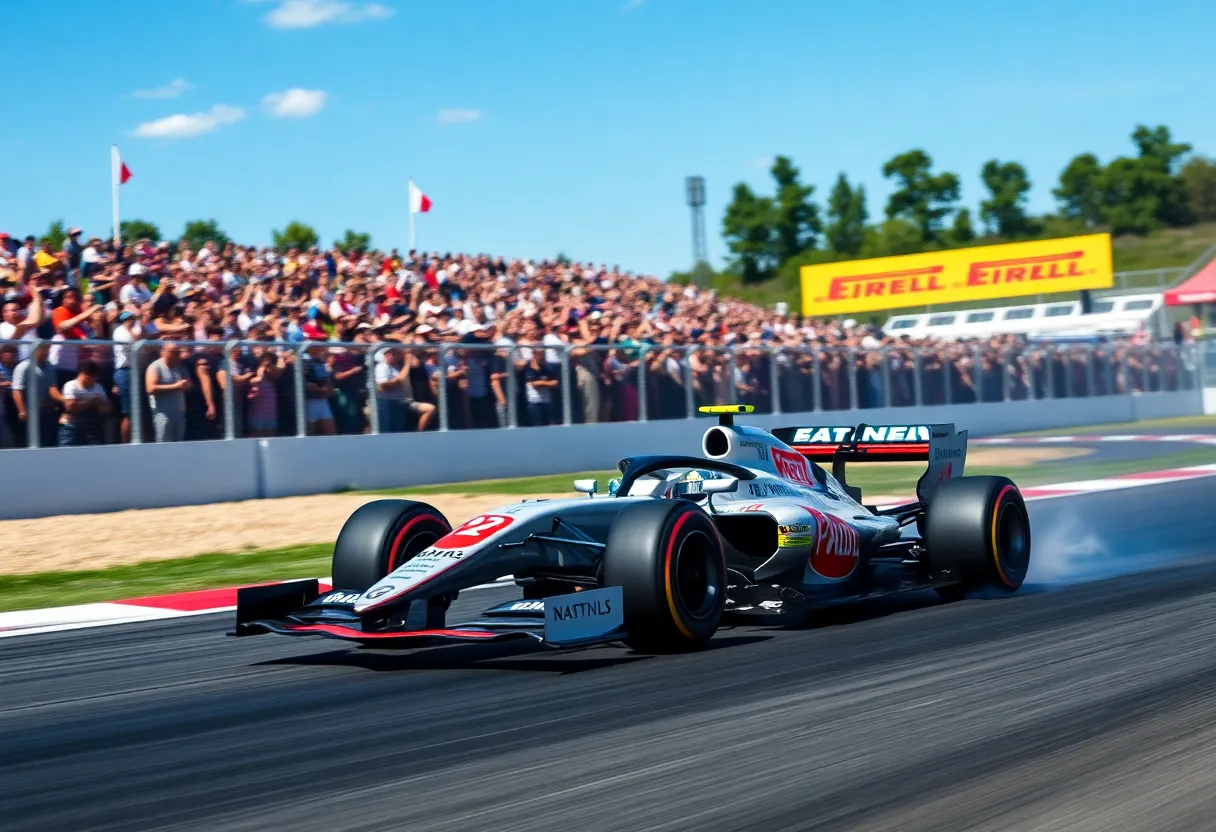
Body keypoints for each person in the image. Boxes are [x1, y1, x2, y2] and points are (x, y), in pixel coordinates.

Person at [145, 342, 191, 442]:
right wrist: (176, 386)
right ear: (165, 352)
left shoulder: (180, 367)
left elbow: (189, 384)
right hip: (162, 413)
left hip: (179, 412)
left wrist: (186, 385)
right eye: (175, 353)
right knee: (163, 443)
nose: (179, 356)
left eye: (178, 353)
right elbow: (151, 388)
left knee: (178, 444)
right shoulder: (155, 367)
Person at [59, 360, 111, 446]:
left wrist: (82, 402)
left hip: (93, 429)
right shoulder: (70, 385)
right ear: (84, 374)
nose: (95, 379)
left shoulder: (98, 387)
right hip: (72, 428)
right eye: (93, 376)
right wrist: (92, 402)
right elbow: (70, 407)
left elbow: (108, 409)